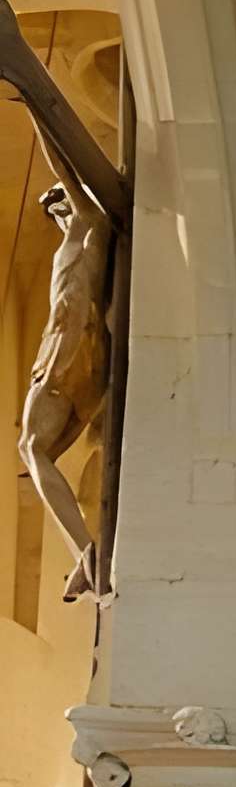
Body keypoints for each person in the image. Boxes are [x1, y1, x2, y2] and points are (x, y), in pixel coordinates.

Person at [19, 135, 111, 603]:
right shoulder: (97, 235)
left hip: (67, 346)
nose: (54, 213)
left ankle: (88, 552)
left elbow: (67, 171)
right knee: (36, 451)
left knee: (30, 446)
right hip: (87, 363)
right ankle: (86, 553)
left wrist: (39, 112)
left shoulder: (89, 223)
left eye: (57, 201)